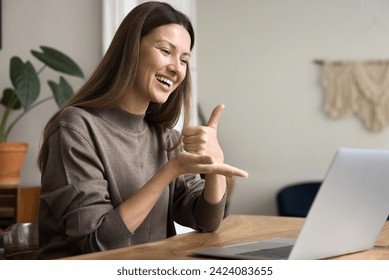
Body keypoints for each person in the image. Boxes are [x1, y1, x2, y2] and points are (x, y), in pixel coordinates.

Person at [37, 1, 248, 259]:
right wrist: (169, 171)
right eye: (165, 50)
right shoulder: (75, 128)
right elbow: (98, 243)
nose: (176, 67)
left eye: (184, 59)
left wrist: (214, 165)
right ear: (131, 50)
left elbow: (207, 220)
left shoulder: (164, 136)